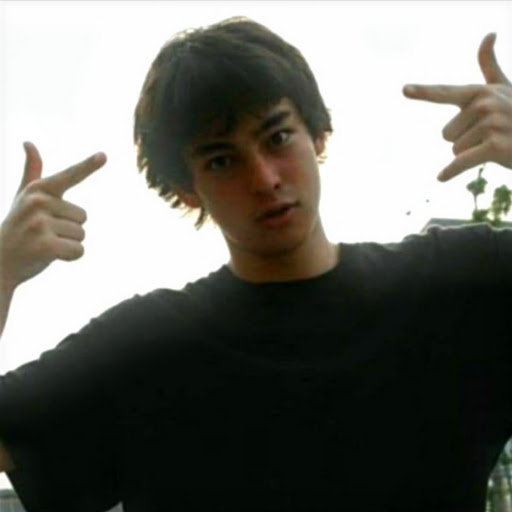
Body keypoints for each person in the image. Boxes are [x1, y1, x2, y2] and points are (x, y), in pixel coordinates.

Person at [0, 16, 511, 512]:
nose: (264, 178)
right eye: (222, 160)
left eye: (277, 137)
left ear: (318, 135)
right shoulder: (141, 349)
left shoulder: (455, 286)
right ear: (187, 189)